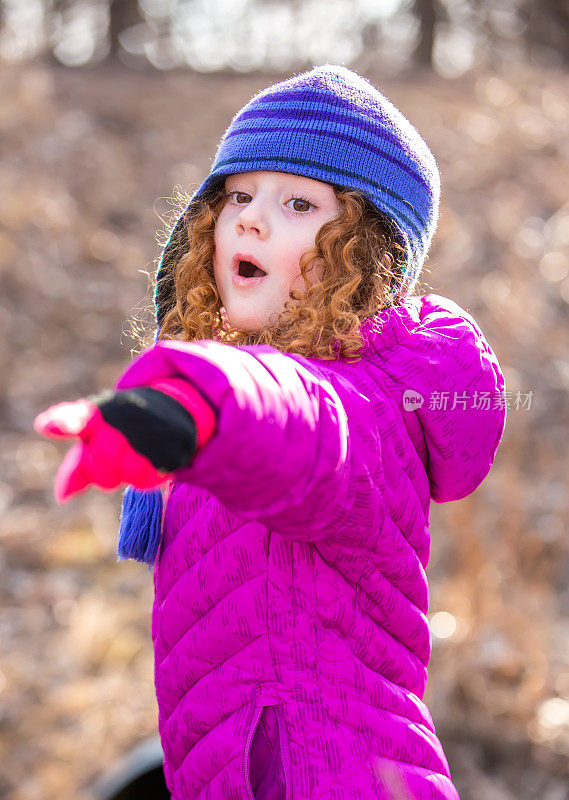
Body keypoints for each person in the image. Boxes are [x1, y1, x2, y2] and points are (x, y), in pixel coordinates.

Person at [34, 65, 507, 800]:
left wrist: (200, 408)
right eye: (238, 195)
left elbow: (301, 426)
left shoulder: (364, 401)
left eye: (297, 203)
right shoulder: (268, 371)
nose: (250, 219)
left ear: (364, 252)